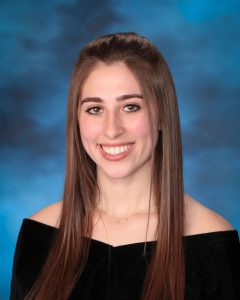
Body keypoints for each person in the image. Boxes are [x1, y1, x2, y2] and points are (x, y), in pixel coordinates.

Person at [10, 32, 239, 300]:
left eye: (131, 107)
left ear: (162, 115)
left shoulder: (212, 242)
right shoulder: (40, 235)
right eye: (95, 109)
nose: (112, 130)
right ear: (77, 120)